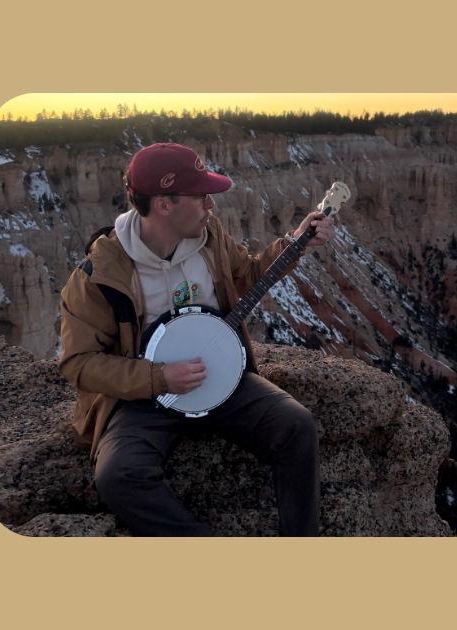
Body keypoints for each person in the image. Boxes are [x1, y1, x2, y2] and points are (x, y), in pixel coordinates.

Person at [58, 143, 333, 536]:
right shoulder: (98, 275)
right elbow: (78, 362)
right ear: (164, 205)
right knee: (118, 476)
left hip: (219, 376)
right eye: (200, 195)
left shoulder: (209, 238)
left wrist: (295, 241)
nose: (211, 205)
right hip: (145, 399)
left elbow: (248, 273)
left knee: (297, 426)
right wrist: (159, 378)